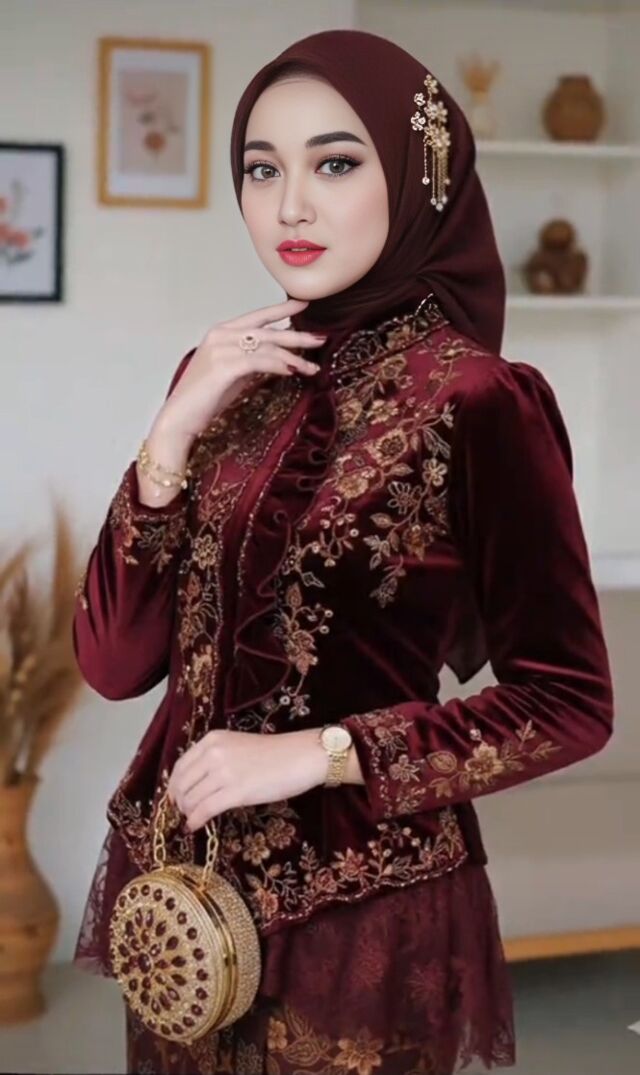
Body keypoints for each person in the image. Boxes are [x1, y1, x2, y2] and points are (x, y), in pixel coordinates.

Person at [72, 28, 614, 1075]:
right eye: (260, 169)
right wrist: (170, 435)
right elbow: (112, 661)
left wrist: (316, 753)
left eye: (333, 164)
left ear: (418, 177)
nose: (289, 208)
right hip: (182, 907)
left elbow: (569, 703)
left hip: (361, 914)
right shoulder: (225, 379)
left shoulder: (479, 400)